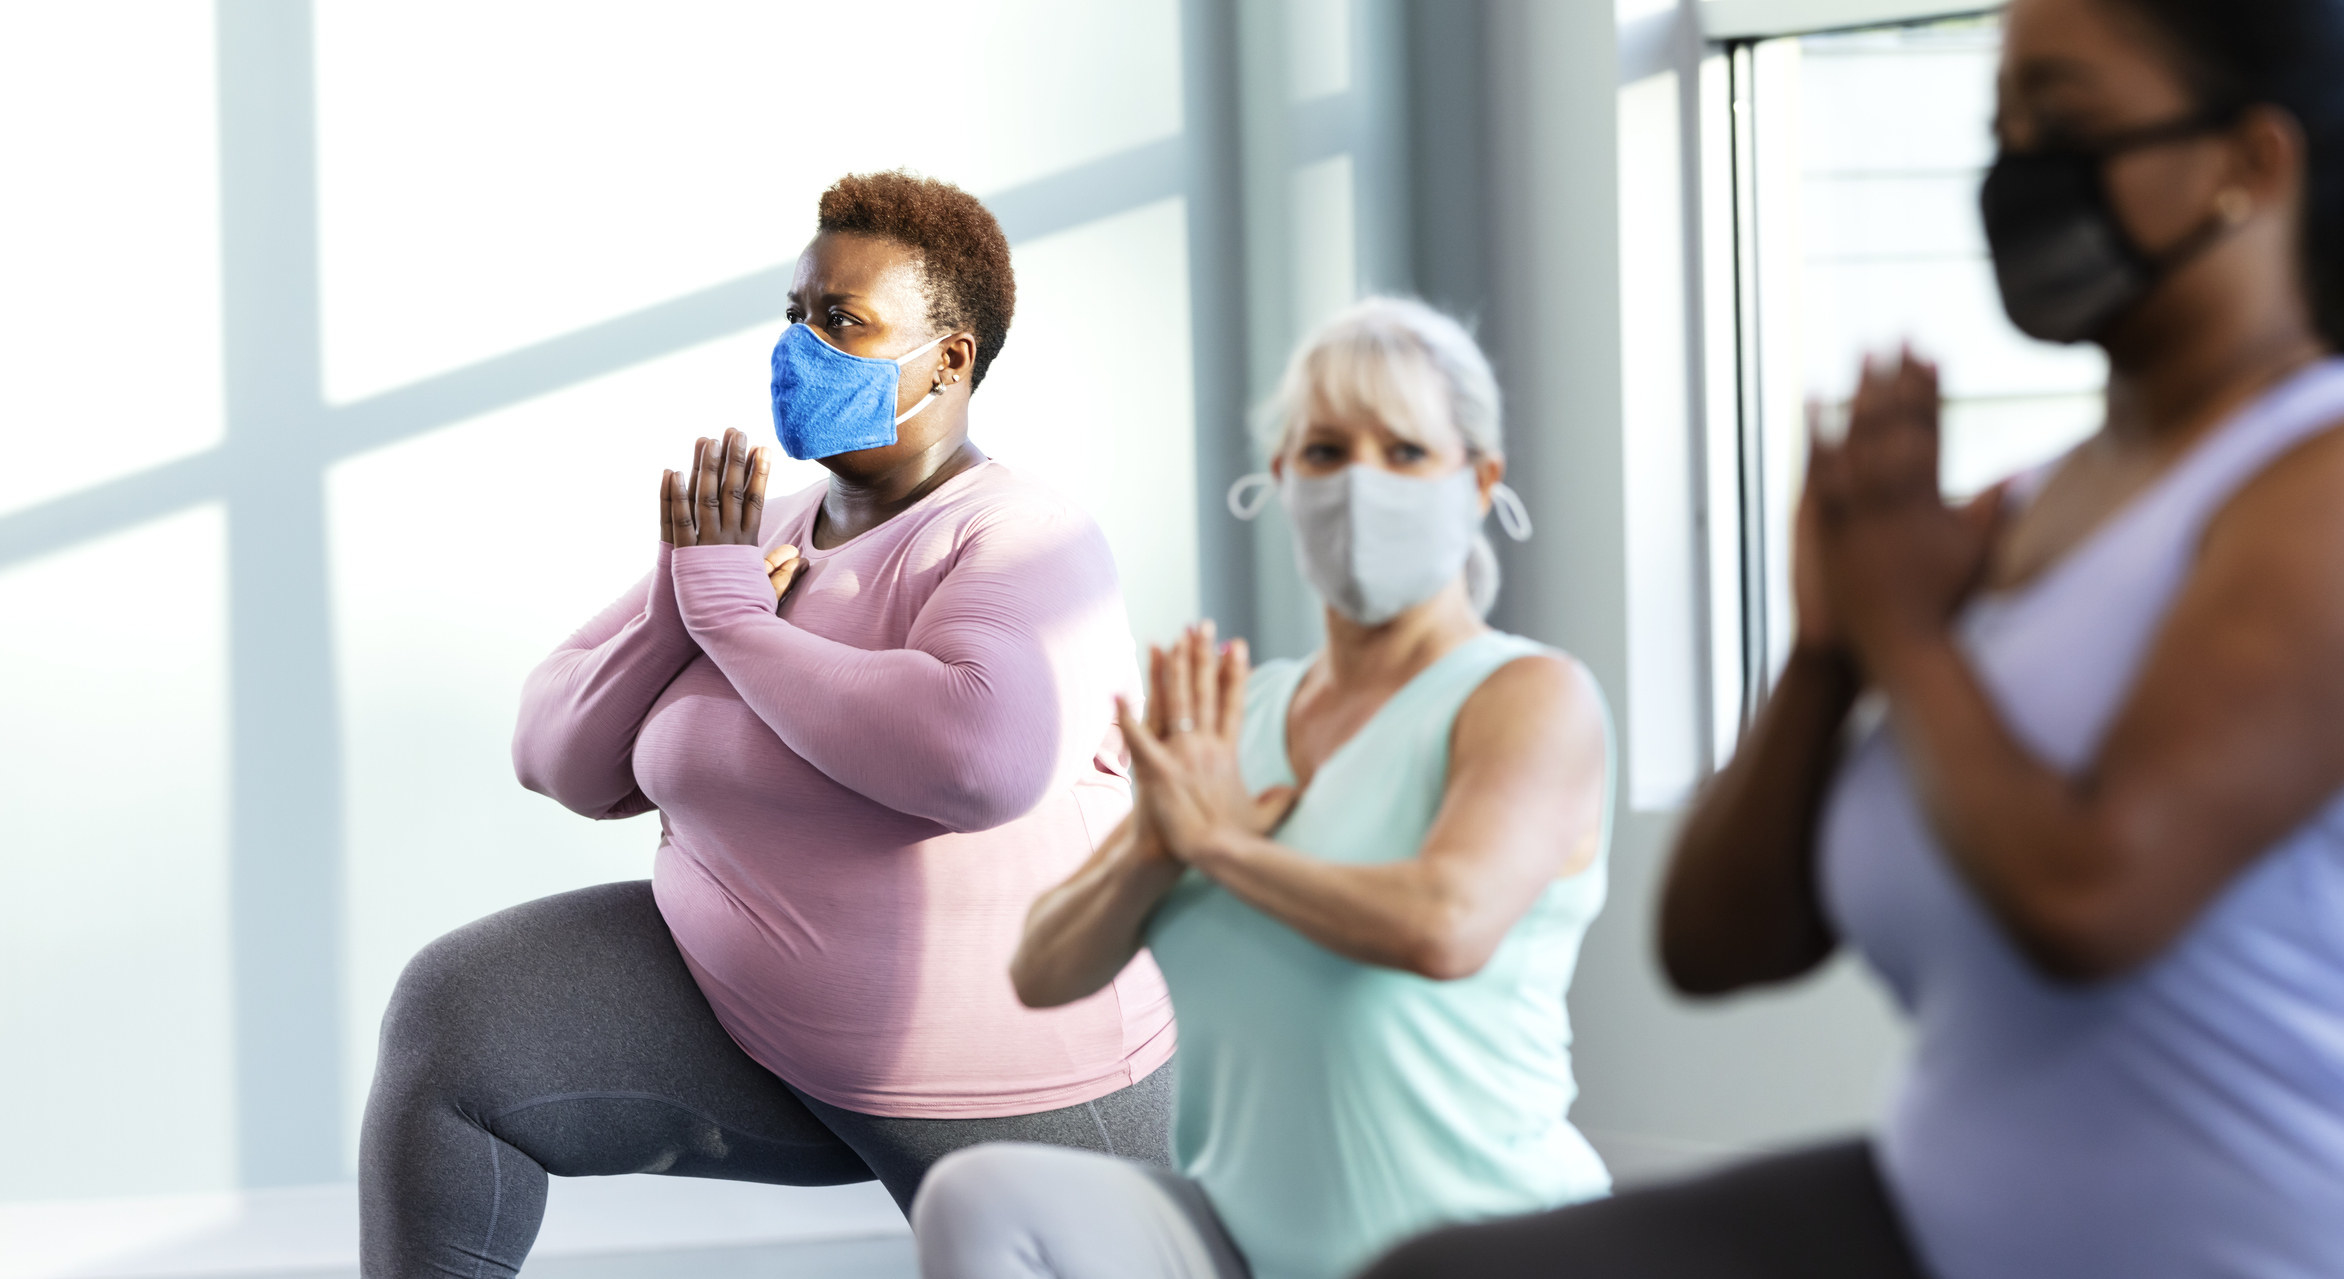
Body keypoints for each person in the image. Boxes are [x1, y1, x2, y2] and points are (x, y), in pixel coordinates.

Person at [1364, 1, 2344, 1277]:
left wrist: (1901, 627)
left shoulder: (2310, 482)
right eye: (2004, 126)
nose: (2016, 170)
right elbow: (1715, 944)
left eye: (2068, 122)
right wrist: (1830, 652)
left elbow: (2092, 898)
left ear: (2248, 163)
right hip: (1941, 1216)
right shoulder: (2026, 509)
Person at [358, 171, 1175, 1279]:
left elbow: (977, 758)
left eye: (842, 322)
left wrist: (737, 624)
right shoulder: (758, 534)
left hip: (1016, 1084)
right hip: (749, 1028)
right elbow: (556, 756)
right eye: (797, 314)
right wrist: (675, 603)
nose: (801, 348)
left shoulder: (1022, 536)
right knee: (456, 1021)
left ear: (949, 360)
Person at [909, 296, 1614, 1279]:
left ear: (1479, 481)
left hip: (1492, 1246)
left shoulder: (1529, 696)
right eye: (1324, 451)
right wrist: (1155, 851)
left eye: (1404, 451)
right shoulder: (1232, 717)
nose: (1360, 482)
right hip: (1241, 1246)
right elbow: (1043, 968)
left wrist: (1222, 849)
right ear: (1281, 477)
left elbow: (1447, 924)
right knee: (979, 1198)